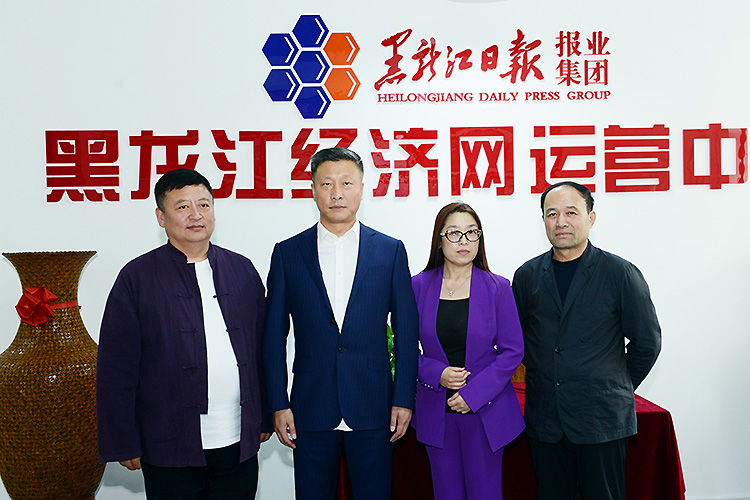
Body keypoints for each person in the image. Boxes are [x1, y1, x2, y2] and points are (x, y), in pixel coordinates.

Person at [96, 169, 271, 499]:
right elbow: (116, 368)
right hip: (168, 444)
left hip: (237, 439)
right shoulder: (136, 277)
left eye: (204, 204)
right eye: (182, 206)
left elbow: (262, 350)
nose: (196, 215)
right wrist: (123, 439)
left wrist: (264, 417)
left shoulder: (242, 269)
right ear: (161, 217)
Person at [263, 147, 419, 500]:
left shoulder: (390, 250)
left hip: (374, 404)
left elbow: (407, 332)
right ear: (313, 190)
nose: (337, 193)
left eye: (346, 183)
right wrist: (278, 403)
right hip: (310, 404)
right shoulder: (288, 253)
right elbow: (273, 336)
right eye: (327, 184)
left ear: (362, 189)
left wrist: (403, 400)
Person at [512, 181, 662, 500]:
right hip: (546, 419)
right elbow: (520, 341)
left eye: (571, 212)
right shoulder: (526, 276)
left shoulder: (619, 273)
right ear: (543, 220)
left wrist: (614, 386)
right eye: (552, 214)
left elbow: (647, 342)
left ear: (591, 218)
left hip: (601, 417)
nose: (561, 222)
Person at [411, 202, 525, 500]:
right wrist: (437, 373)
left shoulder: (498, 287)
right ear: (439, 240)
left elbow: (513, 350)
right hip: (436, 410)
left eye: (472, 233)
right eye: (454, 233)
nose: (464, 241)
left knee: (485, 493)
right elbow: (403, 348)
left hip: (486, 412)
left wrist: (473, 395)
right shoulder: (417, 286)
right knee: (446, 494)